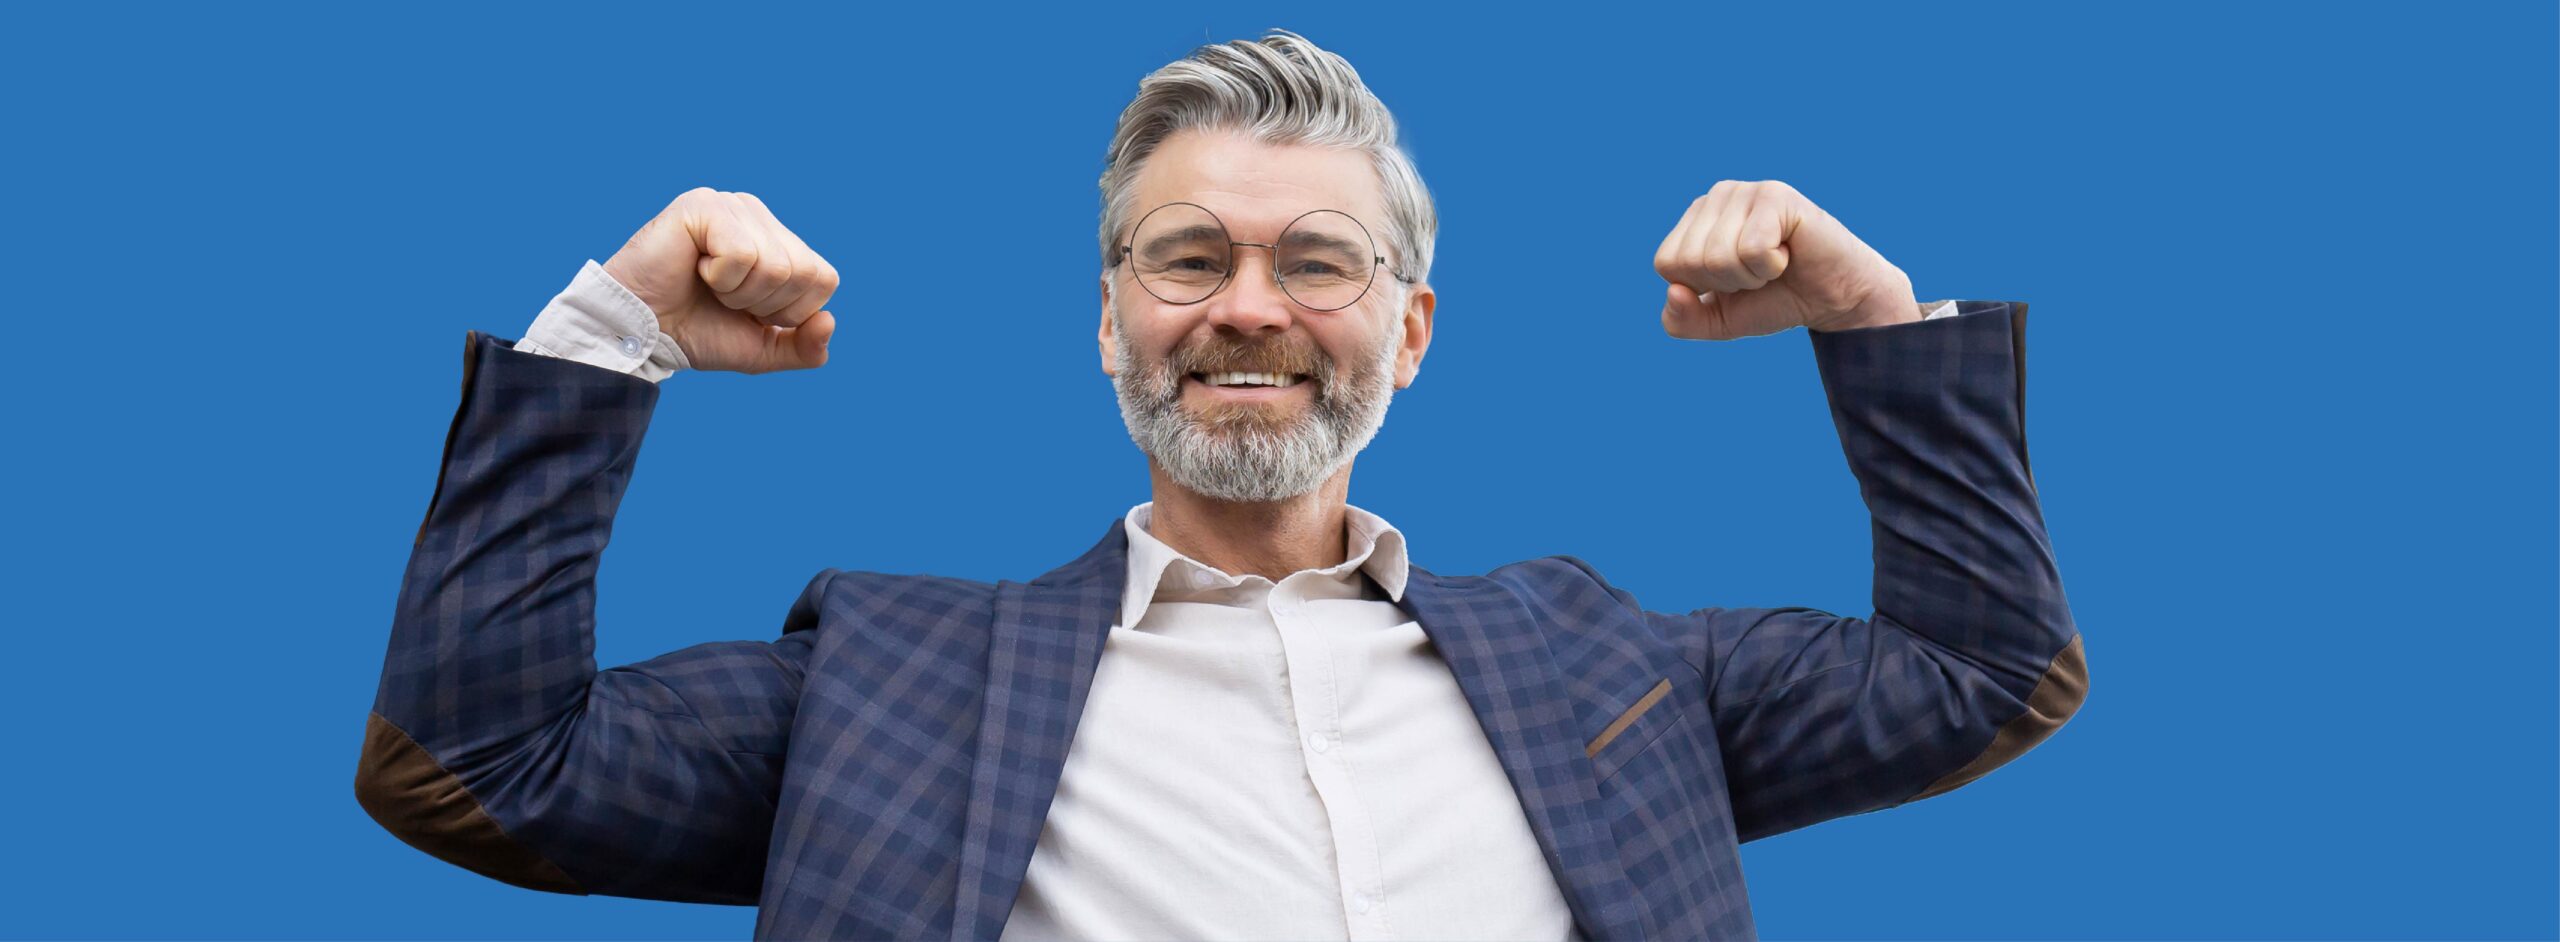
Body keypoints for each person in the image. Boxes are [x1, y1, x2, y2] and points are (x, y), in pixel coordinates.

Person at [354, 29, 2086, 942]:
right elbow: (480, 768)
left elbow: (1983, 673)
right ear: (1111, 325)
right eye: (1185, 257)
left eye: (1313, 260)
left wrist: (1868, 318)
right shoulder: (892, 677)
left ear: (1408, 331)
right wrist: (612, 336)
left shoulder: (1614, 663)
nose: (1248, 303)